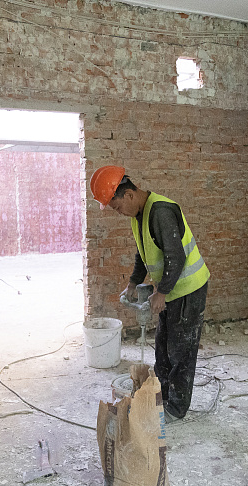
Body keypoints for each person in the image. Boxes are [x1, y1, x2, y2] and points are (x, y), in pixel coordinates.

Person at [90, 165, 210, 422]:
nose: (119, 213)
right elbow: (143, 252)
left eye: (117, 207)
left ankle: (176, 409)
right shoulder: (139, 215)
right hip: (172, 289)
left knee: (181, 352)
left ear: (129, 194)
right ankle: (162, 397)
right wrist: (133, 283)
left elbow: (176, 256)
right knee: (164, 350)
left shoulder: (161, 212)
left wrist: (161, 293)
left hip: (189, 289)